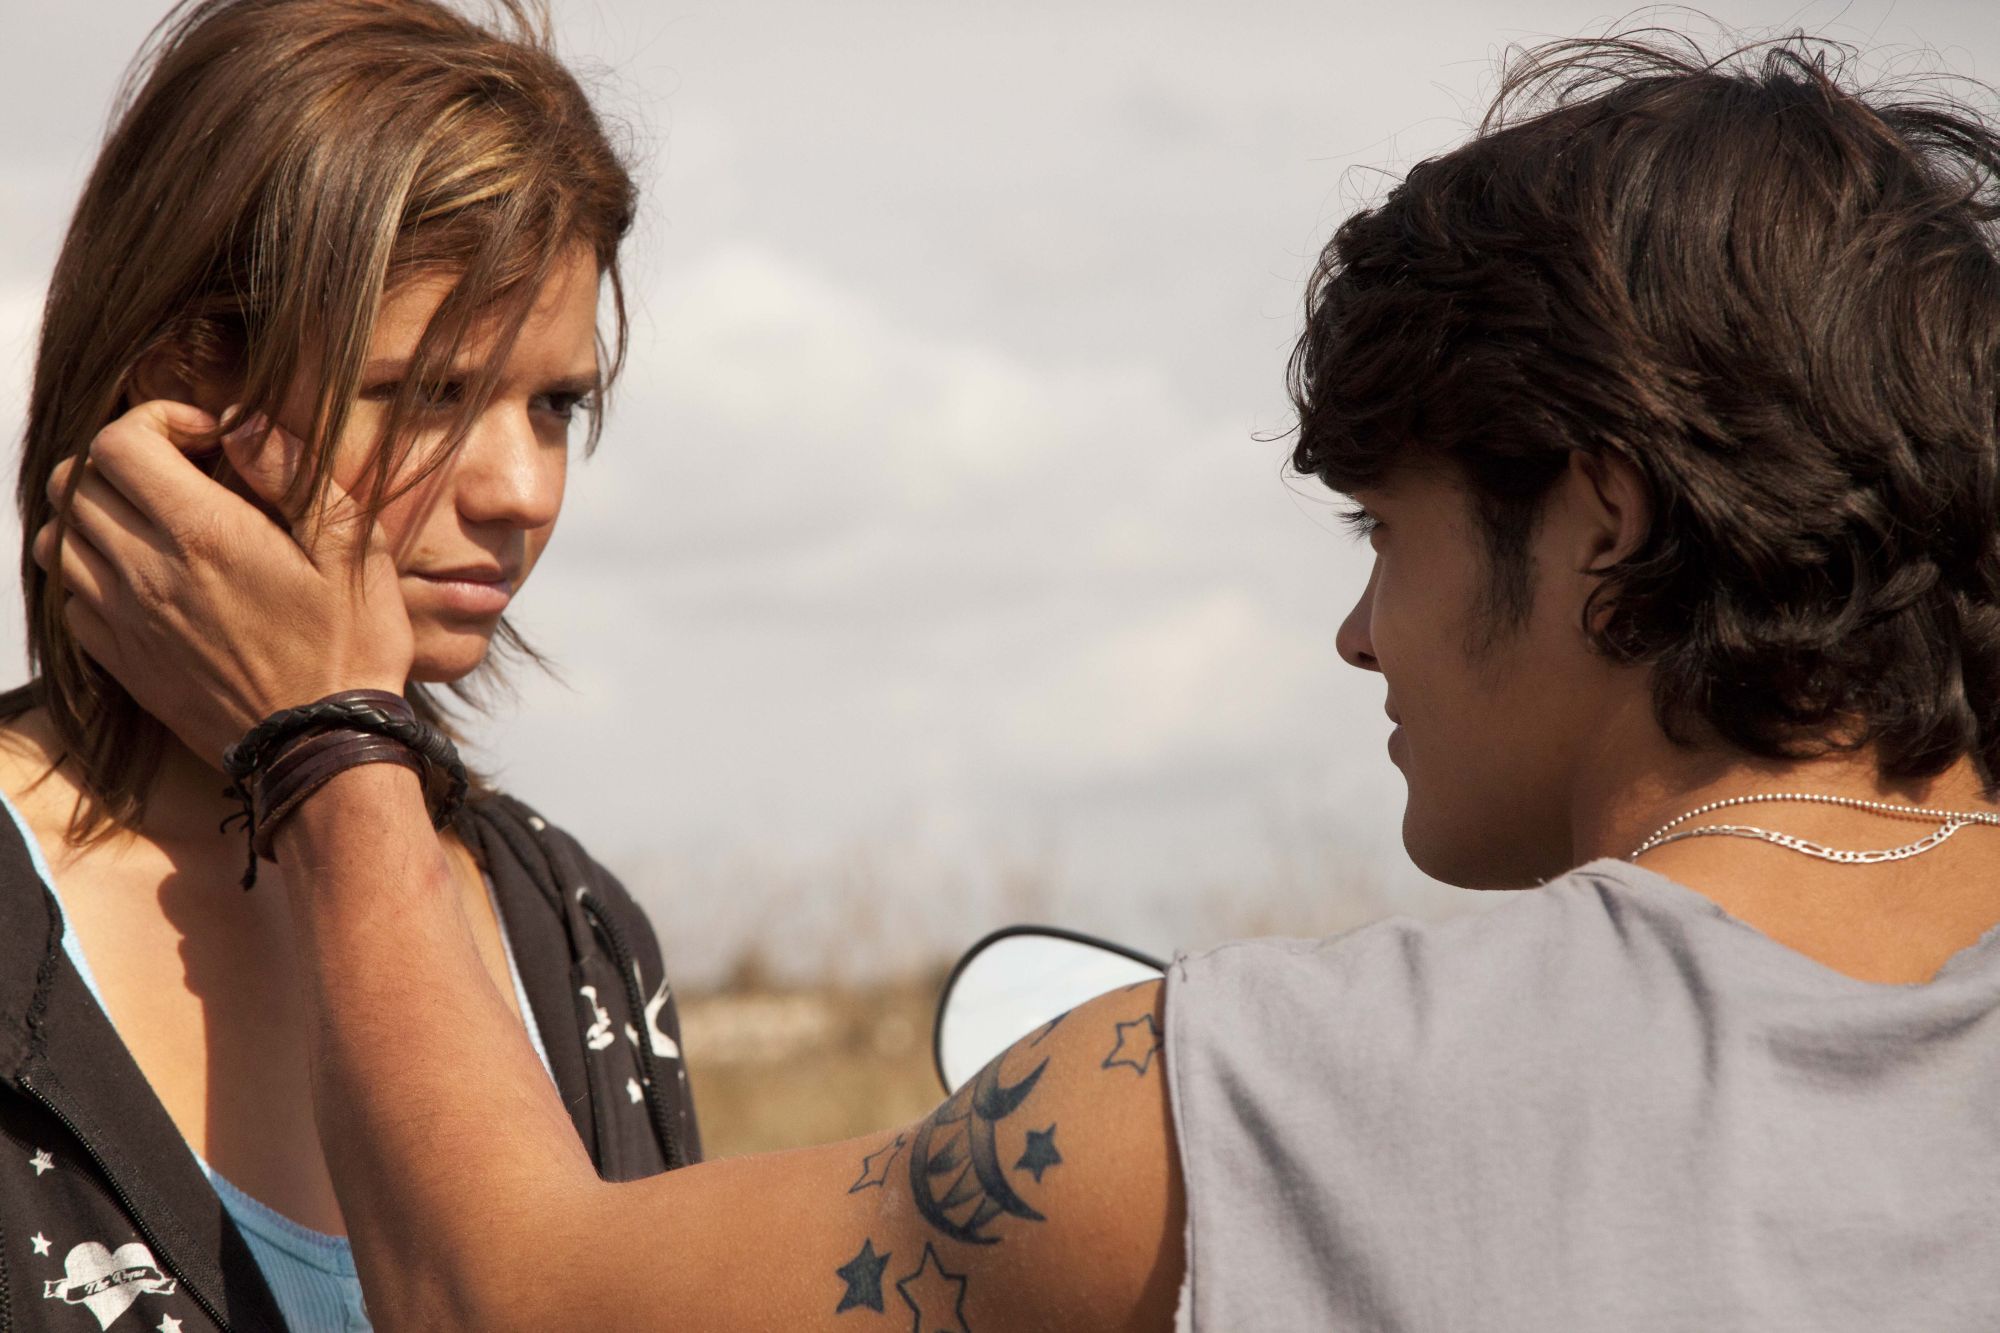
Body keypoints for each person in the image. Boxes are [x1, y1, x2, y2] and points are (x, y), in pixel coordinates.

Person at [41, 29, 2000, 1332]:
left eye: (1381, 530)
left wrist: (327, 745)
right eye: (429, 392)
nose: (1357, 633)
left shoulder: (1289, 1094)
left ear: (1599, 522)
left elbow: (513, 1301)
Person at [0, 3, 700, 1330]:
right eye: (429, 392)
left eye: (557, 403)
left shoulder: (575, 937)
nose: (522, 487)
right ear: (178, 389)